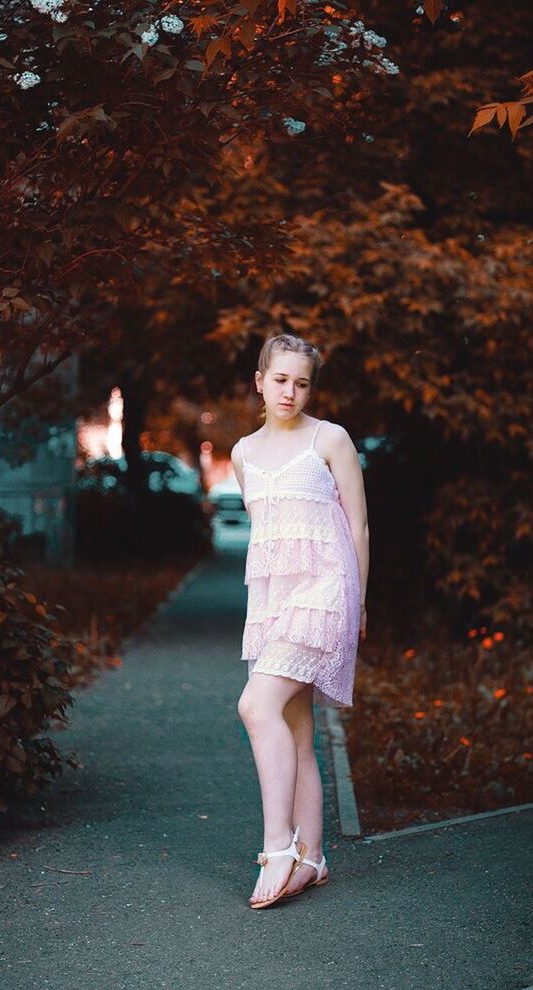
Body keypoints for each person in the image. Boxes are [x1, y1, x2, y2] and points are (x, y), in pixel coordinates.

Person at [231, 333, 370, 909]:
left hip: (326, 594)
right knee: (295, 730)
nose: (291, 392)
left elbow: (358, 527)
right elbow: (269, 537)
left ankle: (278, 848)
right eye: (281, 380)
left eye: (302, 382)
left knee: (254, 705)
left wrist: (358, 603)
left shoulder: (329, 438)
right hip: (274, 602)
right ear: (260, 381)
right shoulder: (241, 452)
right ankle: (312, 858)